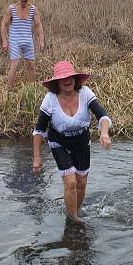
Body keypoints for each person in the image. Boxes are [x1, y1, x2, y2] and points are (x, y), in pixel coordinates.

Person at [32, 60, 112, 222]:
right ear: (56, 83)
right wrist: (37, 157)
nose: (67, 81)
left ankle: (77, 210)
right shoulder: (50, 99)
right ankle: (73, 220)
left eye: (70, 77)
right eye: (62, 79)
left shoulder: (85, 93)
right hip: (59, 143)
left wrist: (104, 133)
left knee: (81, 183)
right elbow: (39, 130)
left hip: (82, 143)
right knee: (71, 183)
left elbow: (102, 116)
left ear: (76, 79)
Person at [1, 0, 44, 90]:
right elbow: (4, 25)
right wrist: (5, 41)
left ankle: (31, 90)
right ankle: (9, 91)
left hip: (27, 40)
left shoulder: (33, 9)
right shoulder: (11, 8)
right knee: (15, 64)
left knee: (31, 65)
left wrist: (41, 40)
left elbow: (38, 25)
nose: (24, 0)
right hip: (15, 39)